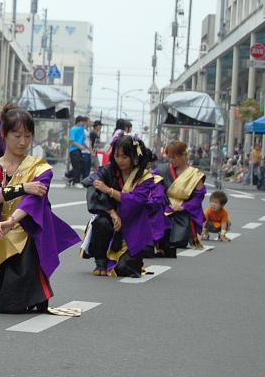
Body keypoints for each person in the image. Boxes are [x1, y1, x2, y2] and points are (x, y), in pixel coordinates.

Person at [0, 106, 81, 314]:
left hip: (25, 228)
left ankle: (15, 292)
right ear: (4, 134)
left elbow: (33, 202)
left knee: (9, 305)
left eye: (27, 136)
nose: (22, 142)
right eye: (17, 135)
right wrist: (22, 187)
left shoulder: (40, 168)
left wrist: (11, 221)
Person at [81, 134, 160, 277]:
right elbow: (91, 182)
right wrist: (112, 212)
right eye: (117, 156)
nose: (120, 160)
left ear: (134, 157)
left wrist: (109, 190)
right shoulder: (109, 170)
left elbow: (137, 200)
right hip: (111, 220)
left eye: (125, 157)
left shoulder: (144, 177)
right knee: (100, 221)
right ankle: (101, 262)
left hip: (133, 225)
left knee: (125, 269)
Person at [155, 141, 207, 256]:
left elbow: (198, 198)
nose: (171, 161)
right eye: (169, 158)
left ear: (184, 155)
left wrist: (183, 207)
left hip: (184, 211)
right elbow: (157, 190)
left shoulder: (195, 175)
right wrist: (165, 204)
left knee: (178, 241)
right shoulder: (162, 171)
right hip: (166, 207)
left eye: (174, 157)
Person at [67, 116, 89, 186]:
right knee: (77, 166)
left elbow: (84, 140)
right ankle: (76, 182)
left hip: (79, 150)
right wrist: (80, 146)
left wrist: (86, 147)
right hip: (73, 150)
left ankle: (68, 176)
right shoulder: (74, 129)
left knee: (80, 165)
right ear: (78, 122)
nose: (83, 123)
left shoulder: (82, 129)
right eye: (82, 122)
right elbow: (71, 141)